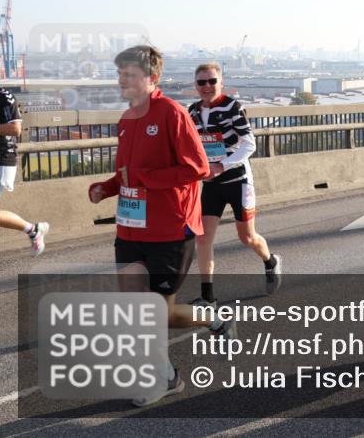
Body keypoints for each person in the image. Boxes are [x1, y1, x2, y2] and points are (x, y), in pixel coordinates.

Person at [87, 46, 236, 407]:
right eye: (119, 73)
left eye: (129, 74)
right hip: (130, 229)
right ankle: (168, 376)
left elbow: (198, 167)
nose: (122, 80)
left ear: (152, 78)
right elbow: (128, 173)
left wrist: (144, 178)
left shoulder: (171, 113)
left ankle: (208, 322)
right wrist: (106, 188)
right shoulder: (126, 119)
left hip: (170, 228)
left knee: (157, 314)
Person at [188, 63, 280, 308]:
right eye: (201, 82)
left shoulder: (231, 106)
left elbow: (249, 144)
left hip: (238, 180)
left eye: (212, 81)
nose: (207, 87)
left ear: (221, 83)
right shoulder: (192, 112)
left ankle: (270, 262)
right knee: (203, 238)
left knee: (247, 237)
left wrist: (223, 165)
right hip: (211, 183)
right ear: (195, 86)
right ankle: (208, 297)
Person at [0, 87, 49, 255]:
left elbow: (15, 129)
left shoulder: (4, 97)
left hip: (1, 159)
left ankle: (32, 230)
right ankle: (33, 230)